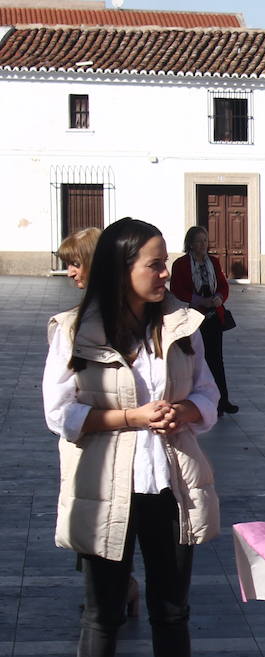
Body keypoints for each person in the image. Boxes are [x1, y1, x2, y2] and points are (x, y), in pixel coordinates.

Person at [42, 217, 222, 657]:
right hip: (107, 489)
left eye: (166, 261)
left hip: (170, 485)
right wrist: (130, 417)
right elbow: (59, 413)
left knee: (172, 611)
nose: (166, 272)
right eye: (155, 263)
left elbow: (208, 394)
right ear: (122, 270)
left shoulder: (181, 326)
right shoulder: (76, 331)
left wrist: (183, 411)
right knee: (102, 614)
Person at [58, 227, 143, 619]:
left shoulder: (138, 322)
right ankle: (113, 589)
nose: (72, 273)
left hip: (132, 460)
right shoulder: (71, 328)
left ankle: (121, 587)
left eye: (76, 263)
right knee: (93, 529)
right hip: (90, 452)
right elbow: (59, 410)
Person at [171, 226, 237, 416]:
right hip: (193, 317)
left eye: (205, 241)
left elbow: (223, 286)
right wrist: (198, 300)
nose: (203, 245)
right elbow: (177, 290)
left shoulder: (214, 262)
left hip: (214, 316)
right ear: (190, 243)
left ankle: (223, 400)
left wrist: (219, 298)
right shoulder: (181, 264)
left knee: (217, 359)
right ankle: (202, 401)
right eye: (199, 241)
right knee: (199, 360)